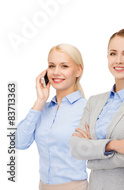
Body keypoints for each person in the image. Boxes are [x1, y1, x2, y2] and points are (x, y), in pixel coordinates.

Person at [69, 29, 124, 190]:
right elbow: (75, 148)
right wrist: (113, 145)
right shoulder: (94, 102)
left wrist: (90, 155)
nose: (118, 60)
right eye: (113, 53)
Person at [16, 44, 88, 190]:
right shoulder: (43, 109)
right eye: (51, 66)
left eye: (64, 66)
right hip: (43, 186)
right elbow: (19, 142)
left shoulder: (87, 109)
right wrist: (40, 101)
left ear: (78, 70)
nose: (56, 72)